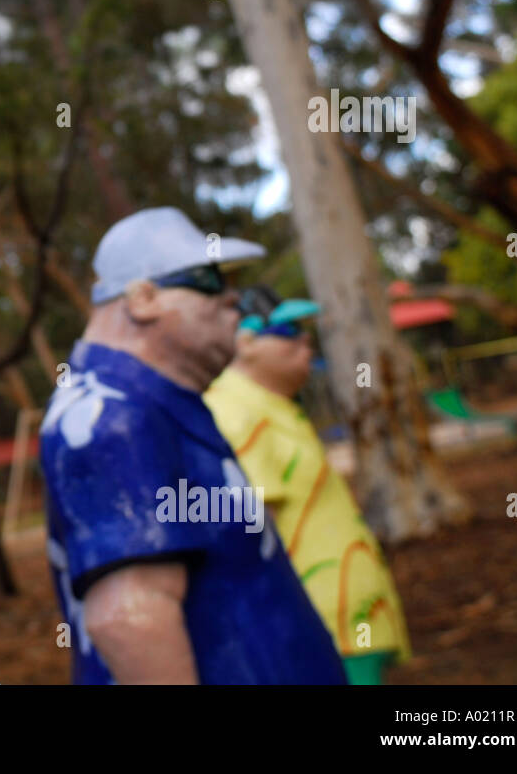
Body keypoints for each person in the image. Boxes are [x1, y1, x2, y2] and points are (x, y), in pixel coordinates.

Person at [40, 208, 346, 684]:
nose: (233, 300)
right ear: (143, 298)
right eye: (207, 280)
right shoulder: (112, 418)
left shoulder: (157, 404)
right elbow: (128, 617)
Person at [204, 286, 411, 685]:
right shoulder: (238, 412)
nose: (304, 342)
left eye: (304, 333)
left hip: (349, 613)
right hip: (319, 624)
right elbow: (251, 530)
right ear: (246, 343)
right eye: (287, 333)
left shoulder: (273, 405)